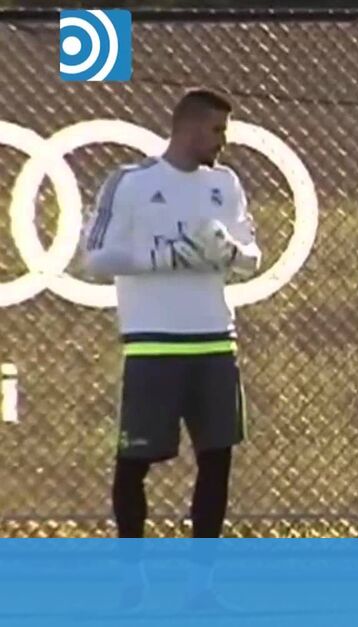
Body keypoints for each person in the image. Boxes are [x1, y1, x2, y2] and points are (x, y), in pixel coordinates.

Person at [81, 88, 260, 604]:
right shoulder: (132, 183)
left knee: (217, 459)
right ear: (187, 128)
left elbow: (251, 253)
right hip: (153, 345)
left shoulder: (225, 185)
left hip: (213, 341)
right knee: (134, 463)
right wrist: (162, 257)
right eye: (216, 130)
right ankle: (131, 577)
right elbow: (94, 258)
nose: (222, 142)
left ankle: (201, 584)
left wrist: (227, 250)